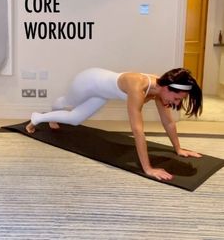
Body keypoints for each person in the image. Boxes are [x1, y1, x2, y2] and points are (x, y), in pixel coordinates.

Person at [26, 67, 203, 181]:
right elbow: (137, 130)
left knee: (74, 119)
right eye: (177, 99)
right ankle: (51, 110)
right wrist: (148, 168)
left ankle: (37, 118)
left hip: (102, 92)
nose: (177, 103)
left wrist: (178, 149)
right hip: (88, 81)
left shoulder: (160, 90)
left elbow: (169, 122)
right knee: (66, 102)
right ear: (167, 88)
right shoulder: (138, 88)